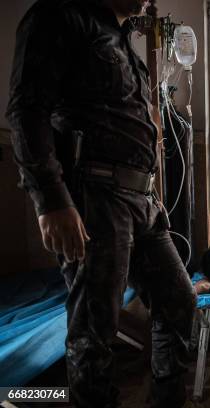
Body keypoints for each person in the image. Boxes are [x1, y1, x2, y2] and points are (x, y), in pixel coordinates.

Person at [6, 0, 196, 407]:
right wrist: (52, 202)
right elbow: (27, 110)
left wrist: (153, 197)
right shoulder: (59, 15)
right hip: (95, 197)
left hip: (141, 201)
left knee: (179, 301)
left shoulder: (122, 39)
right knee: (95, 329)